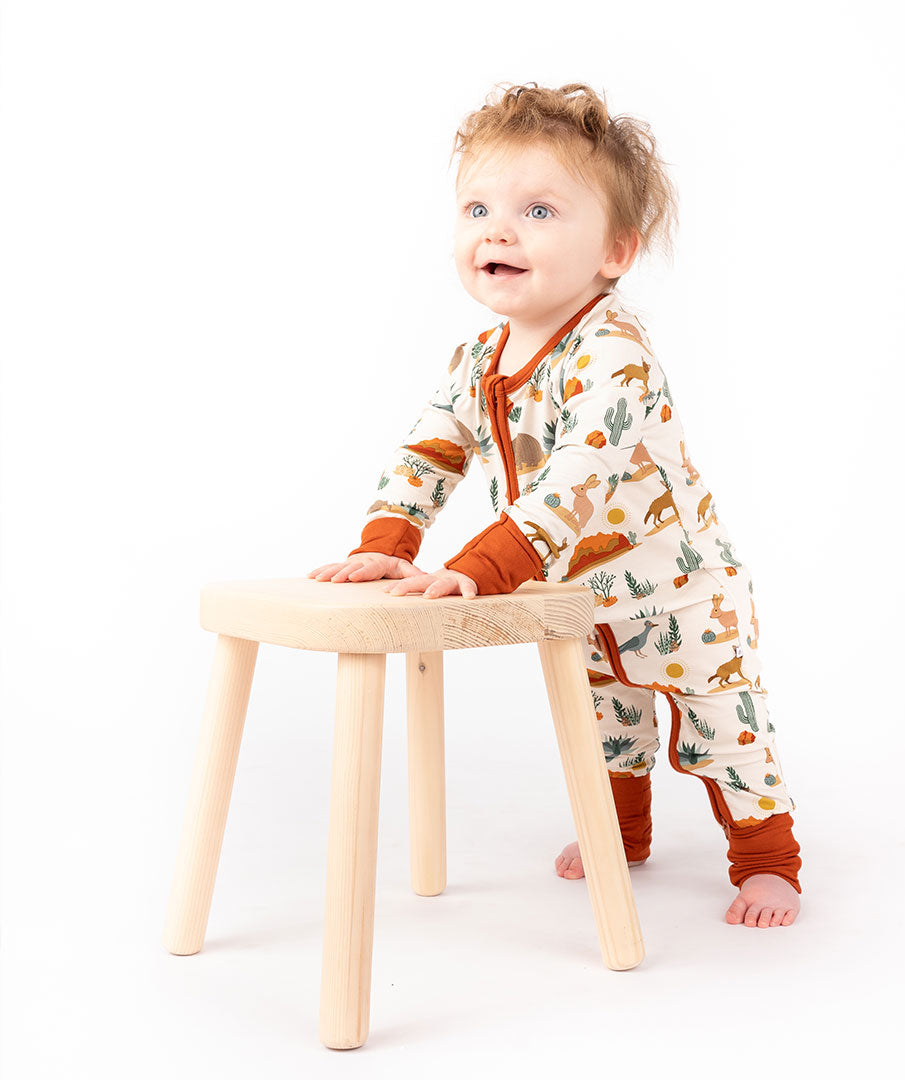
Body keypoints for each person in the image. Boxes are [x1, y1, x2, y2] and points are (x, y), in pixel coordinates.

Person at [309, 82, 802, 928]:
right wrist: (391, 539)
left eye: (538, 210)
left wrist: (485, 566)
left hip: (685, 595)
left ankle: (768, 860)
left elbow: (579, 475)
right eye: (477, 207)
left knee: (728, 728)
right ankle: (623, 832)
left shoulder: (616, 354)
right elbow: (432, 448)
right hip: (581, 596)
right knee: (607, 723)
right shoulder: (480, 357)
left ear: (616, 248)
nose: (496, 230)